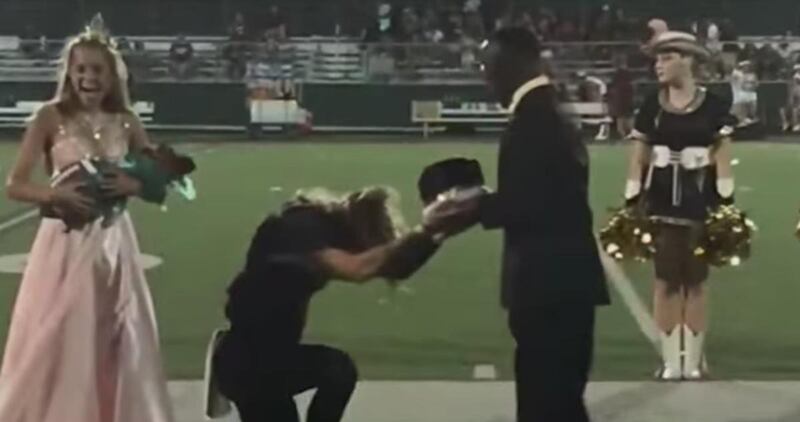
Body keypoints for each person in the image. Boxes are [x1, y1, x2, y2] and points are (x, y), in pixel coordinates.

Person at [428, 27, 610, 421]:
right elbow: (542, 191)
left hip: (548, 284)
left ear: (513, 64)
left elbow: (528, 203)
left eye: (488, 65)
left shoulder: (535, 117)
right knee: (559, 401)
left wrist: (471, 207)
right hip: (562, 282)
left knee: (546, 403)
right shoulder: (546, 110)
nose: (485, 76)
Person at [0, 19, 174, 422]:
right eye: (80, 69)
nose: (87, 77)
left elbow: (161, 179)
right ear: (69, 72)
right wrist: (55, 194)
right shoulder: (49, 117)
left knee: (113, 334)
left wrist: (135, 182)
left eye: (97, 69)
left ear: (112, 75)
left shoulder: (127, 120)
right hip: (62, 244)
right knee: (61, 334)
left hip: (114, 244)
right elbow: (15, 184)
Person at [211, 187, 449, 422]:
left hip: (268, 361)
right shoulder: (301, 229)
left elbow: (393, 267)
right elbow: (358, 268)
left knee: (336, 371)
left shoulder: (318, 235)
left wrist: (437, 233)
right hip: (250, 365)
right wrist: (425, 230)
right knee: (337, 369)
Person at [624, 31, 737, 381]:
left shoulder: (714, 103)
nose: (658, 65)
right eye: (657, 59)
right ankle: (672, 360)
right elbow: (640, 150)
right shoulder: (651, 104)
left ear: (687, 60)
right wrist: (632, 188)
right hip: (659, 202)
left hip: (701, 202)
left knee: (697, 281)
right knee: (665, 280)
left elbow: (721, 146)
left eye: (666, 58)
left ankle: (695, 359)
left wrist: (724, 184)